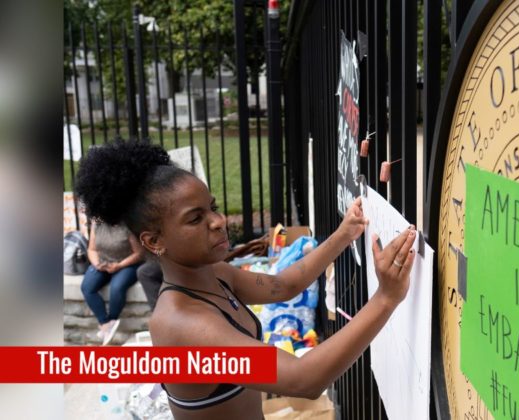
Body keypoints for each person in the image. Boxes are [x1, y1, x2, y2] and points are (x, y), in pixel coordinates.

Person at [74, 141, 416, 419]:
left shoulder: (214, 274)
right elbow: (305, 379)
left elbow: (284, 286)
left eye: (212, 207)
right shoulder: (182, 323)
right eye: (195, 218)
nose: (219, 221)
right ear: (153, 241)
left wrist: (344, 234)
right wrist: (386, 298)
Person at [81, 219, 145, 345]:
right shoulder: (97, 223)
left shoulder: (127, 224)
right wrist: (97, 264)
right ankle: (105, 324)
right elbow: (92, 249)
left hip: (127, 264)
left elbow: (139, 253)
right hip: (103, 263)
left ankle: (112, 320)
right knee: (87, 287)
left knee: (117, 287)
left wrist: (119, 265)